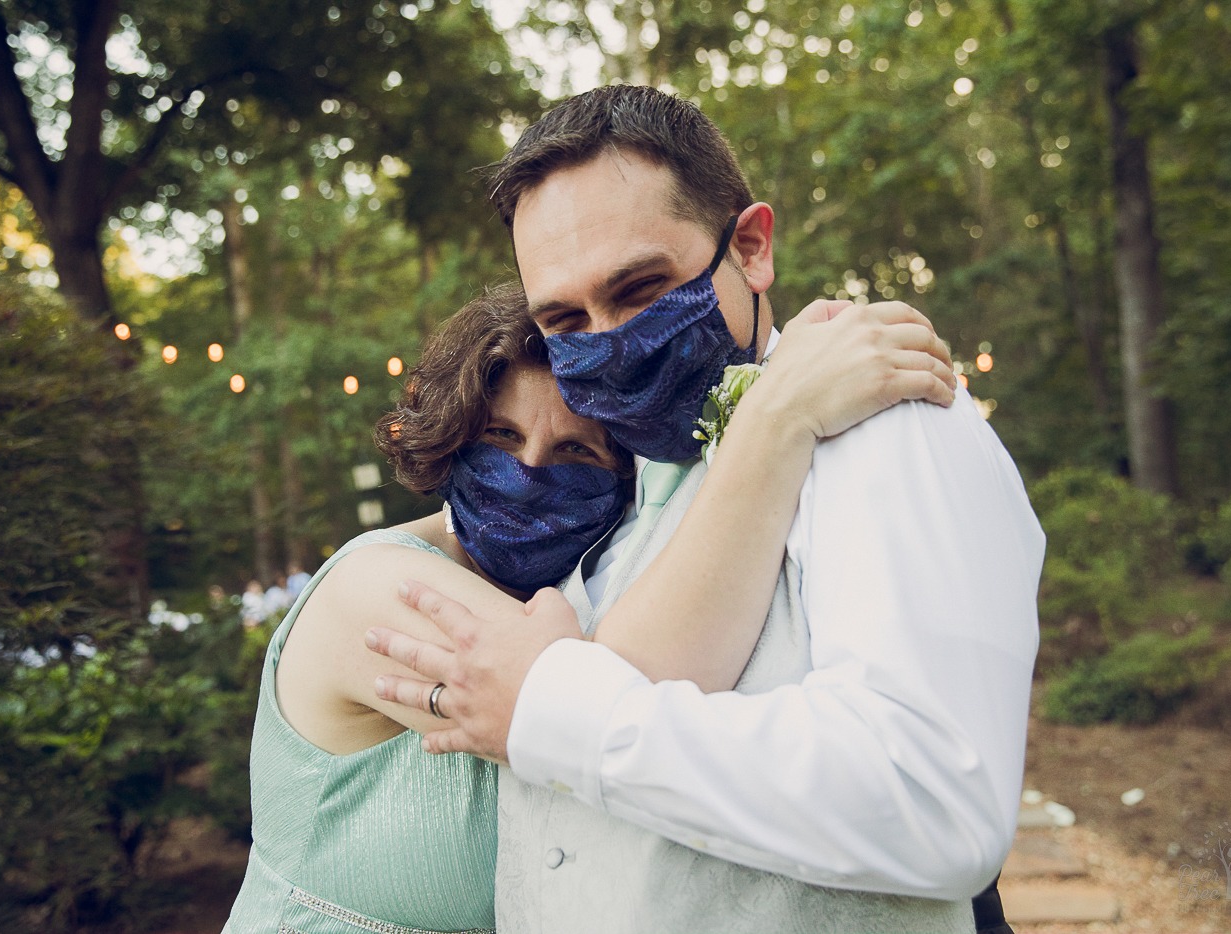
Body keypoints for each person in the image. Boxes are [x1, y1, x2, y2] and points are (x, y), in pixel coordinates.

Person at [368, 85, 1045, 933]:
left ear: (751, 248)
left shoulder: (883, 422)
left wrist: (553, 712)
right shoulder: (612, 489)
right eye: (565, 317)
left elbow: (931, 797)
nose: (608, 340)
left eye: (642, 289)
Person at [222, 280, 957, 933]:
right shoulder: (374, 587)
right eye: (501, 437)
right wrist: (778, 417)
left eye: (576, 452)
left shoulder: (588, 590)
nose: (531, 469)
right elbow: (596, 703)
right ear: (451, 439)